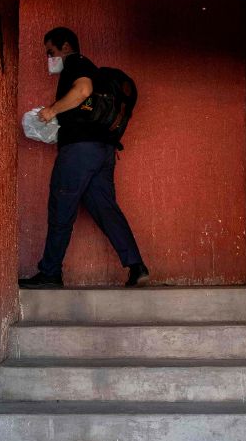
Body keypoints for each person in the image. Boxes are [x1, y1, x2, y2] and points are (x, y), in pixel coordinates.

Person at [18, 27, 149, 289]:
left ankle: (50, 273)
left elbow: (83, 90)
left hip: (79, 151)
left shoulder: (75, 63)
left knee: (61, 206)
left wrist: (52, 110)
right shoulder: (91, 70)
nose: (49, 58)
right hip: (103, 150)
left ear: (66, 46)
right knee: (105, 209)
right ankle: (137, 267)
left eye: (51, 52)